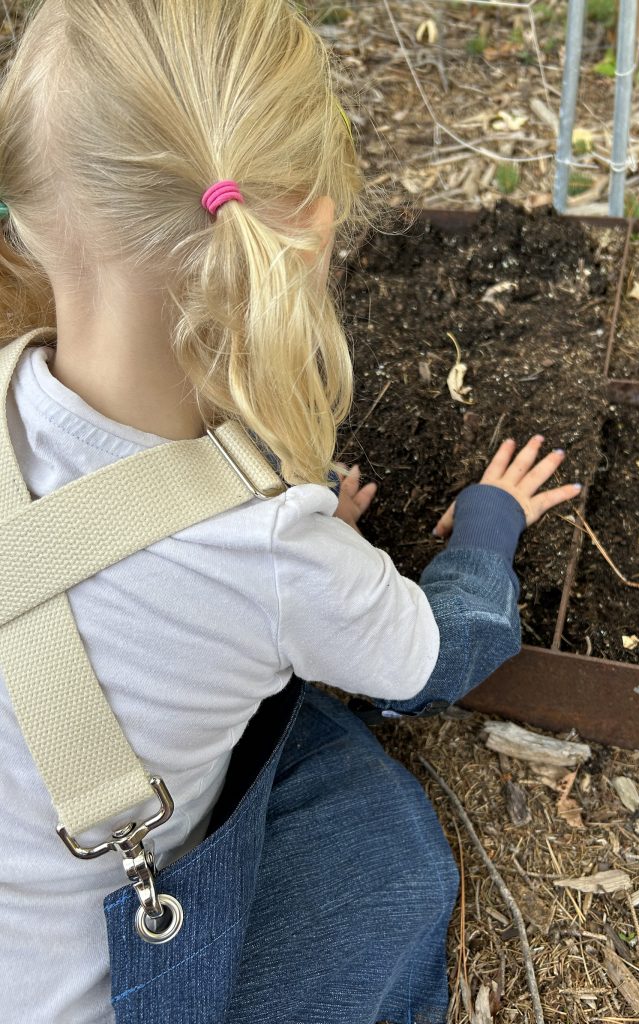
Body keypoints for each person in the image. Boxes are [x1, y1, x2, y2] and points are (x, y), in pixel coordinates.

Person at [0, 1, 581, 1022]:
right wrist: (488, 522)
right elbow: (435, 659)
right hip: (104, 991)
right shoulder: (270, 547)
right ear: (306, 217)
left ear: (25, 212)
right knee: (388, 857)